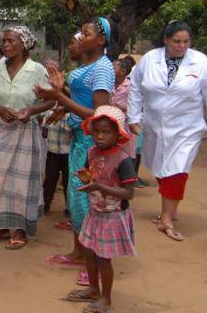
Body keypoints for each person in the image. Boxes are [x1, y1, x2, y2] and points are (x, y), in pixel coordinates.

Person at [37, 17, 115, 283]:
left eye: (86, 33)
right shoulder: (88, 65)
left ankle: (92, 262)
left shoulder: (103, 69)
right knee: (75, 195)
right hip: (79, 138)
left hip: (91, 142)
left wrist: (60, 98)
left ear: (102, 40)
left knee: (87, 199)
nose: (80, 38)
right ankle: (79, 252)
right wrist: (61, 91)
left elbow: (100, 114)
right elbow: (80, 98)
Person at [128, 21, 207, 242]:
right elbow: (135, 88)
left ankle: (166, 219)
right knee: (161, 167)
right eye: (177, 41)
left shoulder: (201, 62)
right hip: (155, 125)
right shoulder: (150, 59)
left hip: (188, 127)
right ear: (166, 40)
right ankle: (171, 207)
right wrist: (134, 117)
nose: (182, 46)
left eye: (186, 41)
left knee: (177, 169)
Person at [0, 26, 53, 249]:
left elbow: (51, 100)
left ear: (24, 44)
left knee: (22, 182)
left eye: (11, 41)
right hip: (3, 131)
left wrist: (29, 111)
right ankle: (1, 226)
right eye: (4, 41)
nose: (6, 45)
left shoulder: (37, 70)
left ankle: (21, 229)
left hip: (26, 133)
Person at [65, 106, 137, 313]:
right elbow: (92, 173)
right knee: (88, 251)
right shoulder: (91, 152)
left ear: (118, 134)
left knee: (104, 258)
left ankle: (106, 299)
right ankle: (93, 289)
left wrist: (99, 187)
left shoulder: (123, 160)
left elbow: (128, 193)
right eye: (96, 132)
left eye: (106, 132)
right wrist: (86, 178)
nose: (100, 137)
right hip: (95, 211)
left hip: (113, 216)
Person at [41, 60, 72, 216]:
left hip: (67, 151)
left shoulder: (71, 112)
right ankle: (46, 203)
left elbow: (71, 129)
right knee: (50, 179)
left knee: (68, 180)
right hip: (52, 150)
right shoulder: (51, 107)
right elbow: (45, 126)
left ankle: (68, 206)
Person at [111, 56, 146, 187]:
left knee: (128, 153)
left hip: (126, 125)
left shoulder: (131, 86)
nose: (111, 68)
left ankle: (127, 183)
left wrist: (122, 108)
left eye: (114, 67)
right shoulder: (108, 84)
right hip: (111, 125)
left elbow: (139, 104)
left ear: (123, 71)